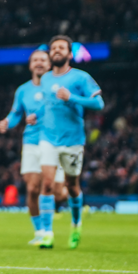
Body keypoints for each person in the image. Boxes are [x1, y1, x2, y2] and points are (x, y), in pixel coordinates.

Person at [37, 35, 104, 250]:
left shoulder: (81, 78)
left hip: (73, 140)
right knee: (46, 184)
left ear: (69, 54)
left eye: (61, 48)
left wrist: (72, 98)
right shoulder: (45, 79)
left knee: (72, 187)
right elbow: (48, 106)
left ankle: (76, 224)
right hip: (48, 138)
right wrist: (35, 117)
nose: (57, 50)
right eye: (53, 48)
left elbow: (99, 103)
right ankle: (47, 233)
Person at [0, 49, 51, 245]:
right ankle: (41, 231)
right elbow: (15, 114)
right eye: (35, 60)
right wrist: (6, 122)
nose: (39, 63)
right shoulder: (22, 90)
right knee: (32, 188)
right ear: (30, 65)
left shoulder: (55, 87)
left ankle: (49, 225)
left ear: (49, 64)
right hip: (31, 141)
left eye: (43, 60)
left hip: (54, 141)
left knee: (56, 189)